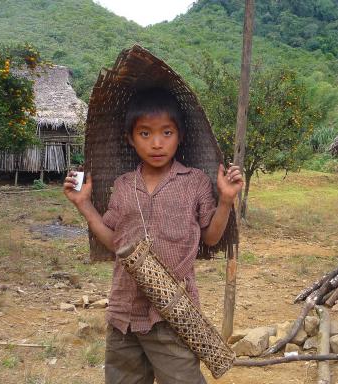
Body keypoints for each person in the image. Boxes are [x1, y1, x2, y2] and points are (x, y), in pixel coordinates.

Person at [63, 88, 243, 384]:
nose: (156, 143)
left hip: (173, 314)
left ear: (180, 135)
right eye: (145, 134)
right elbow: (114, 243)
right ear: (130, 139)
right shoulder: (123, 186)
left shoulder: (194, 182)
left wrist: (225, 200)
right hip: (124, 314)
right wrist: (83, 205)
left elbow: (210, 238)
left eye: (166, 132)